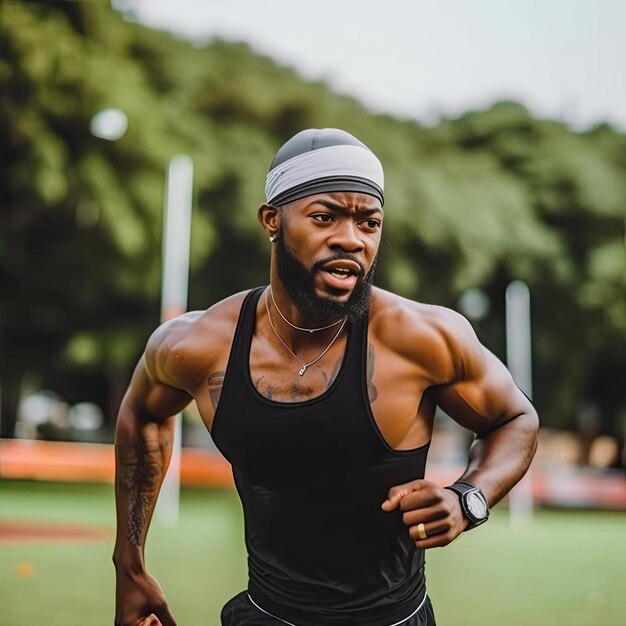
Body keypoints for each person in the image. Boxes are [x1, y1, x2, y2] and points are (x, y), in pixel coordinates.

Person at [113, 128, 539, 626]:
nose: (351, 239)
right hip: (267, 616)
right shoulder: (197, 344)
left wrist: (469, 498)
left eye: (370, 222)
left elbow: (516, 418)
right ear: (272, 220)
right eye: (324, 217)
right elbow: (141, 414)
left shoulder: (424, 338)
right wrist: (130, 566)